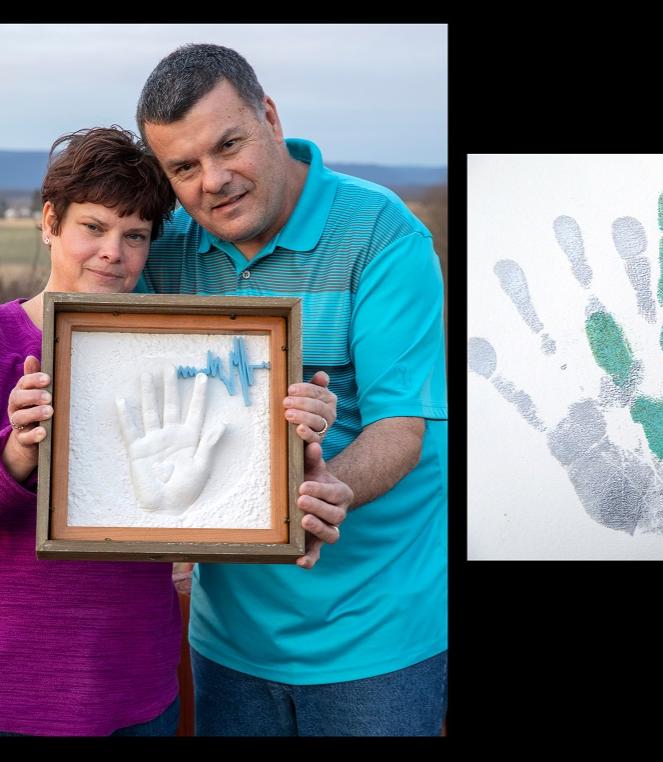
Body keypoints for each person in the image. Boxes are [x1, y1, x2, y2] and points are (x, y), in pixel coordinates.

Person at [0, 126, 344, 736]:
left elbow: (227, 494)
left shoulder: (175, 352)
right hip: (0, 695)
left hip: (137, 690)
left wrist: (292, 438)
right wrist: (14, 451)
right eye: (94, 227)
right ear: (50, 221)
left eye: (134, 236)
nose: (114, 251)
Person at [133, 44, 448, 736]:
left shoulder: (383, 233)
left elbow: (401, 428)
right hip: (228, 640)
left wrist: (322, 490)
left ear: (269, 118)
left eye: (228, 145)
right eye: (184, 167)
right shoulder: (167, 247)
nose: (212, 181)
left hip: (376, 638)